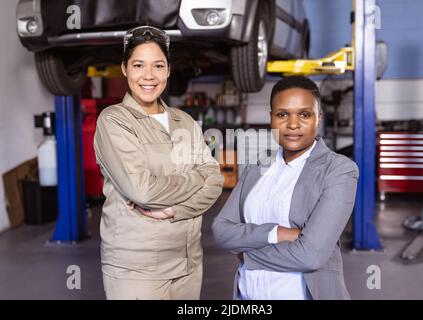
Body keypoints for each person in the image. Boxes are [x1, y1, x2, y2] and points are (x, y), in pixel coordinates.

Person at [93, 26, 224, 300]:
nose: (149, 76)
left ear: (168, 71)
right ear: (125, 69)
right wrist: (196, 178)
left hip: (189, 261)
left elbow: (215, 181)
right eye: (139, 65)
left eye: (158, 65)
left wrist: (175, 209)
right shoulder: (114, 121)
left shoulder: (184, 121)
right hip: (137, 268)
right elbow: (143, 191)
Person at [212, 76, 359, 300]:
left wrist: (247, 254)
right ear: (271, 118)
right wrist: (277, 233)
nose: (292, 124)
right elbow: (221, 230)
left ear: (318, 119)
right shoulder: (258, 166)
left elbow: (311, 255)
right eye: (282, 114)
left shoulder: (338, 169)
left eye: (304, 114)